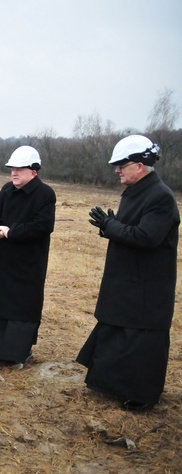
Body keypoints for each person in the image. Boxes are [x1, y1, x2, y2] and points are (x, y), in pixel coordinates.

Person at [77, 135, 179, 411]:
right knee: (117, 330)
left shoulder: (160, 196)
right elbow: (130, 231)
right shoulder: (137, 191)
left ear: (141, 165)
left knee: (140, 340)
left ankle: (141, 394)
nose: (117, 170)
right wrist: (109, 226)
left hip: (147, 285)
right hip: (127, 280)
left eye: (122, 164)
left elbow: (147, 237)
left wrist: (111, 226)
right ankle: (111, 383)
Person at [0, 146, 56, 366]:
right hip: (2, 261)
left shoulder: (45, 194)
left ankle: (17, 352)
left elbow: (43, 226)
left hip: (27, 264)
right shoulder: (7, 189)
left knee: (20, 308)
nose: (13, 173)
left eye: (19, 169)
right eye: (12, 169)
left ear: (33, 171)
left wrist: (11, 232)